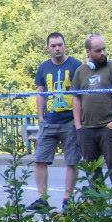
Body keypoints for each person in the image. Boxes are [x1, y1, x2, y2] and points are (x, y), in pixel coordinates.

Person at [28, 32, 83, 211]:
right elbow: (40, 93)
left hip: (69, 121)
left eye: (60, 45)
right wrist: (41, 117)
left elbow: (81, 94)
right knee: (39, 159)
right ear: (48, 48)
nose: (57, 48)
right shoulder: (44, 67)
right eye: (53, 46)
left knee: (72, 161)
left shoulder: (76, 65)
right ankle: (42, 199)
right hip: (50, 121)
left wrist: (78, 121)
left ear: (64, 45)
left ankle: (68, 199)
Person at [72, 33, 112, 191]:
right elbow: (75, 99)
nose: (103, 53)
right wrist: (78, 126)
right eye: (98, 50)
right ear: (88, 52)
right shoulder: (80, 71)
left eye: (104, 49)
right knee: (92, 170)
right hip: (87, 129)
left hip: (109, 128)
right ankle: (98, 208)